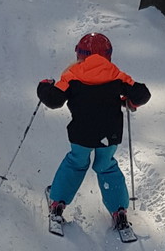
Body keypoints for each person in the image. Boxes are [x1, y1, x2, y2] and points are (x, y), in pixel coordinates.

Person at [37, 31, 150, 229]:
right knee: (106, 166)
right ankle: (119, 211)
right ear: (108, 54)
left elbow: (54, 100)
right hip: (109, 134)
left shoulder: (72, 75)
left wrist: (44, 86)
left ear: (79, 54)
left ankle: (57, 204)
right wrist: (129, 101)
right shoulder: (116, 74)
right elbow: (142, 94)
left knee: (76, 163)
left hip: (82, 133)